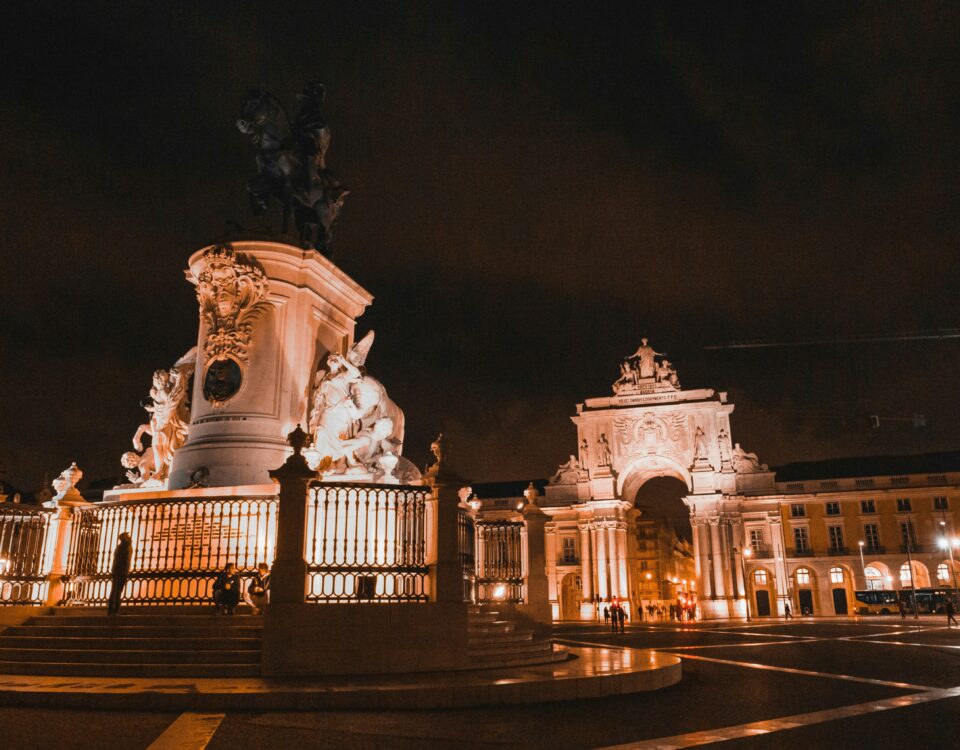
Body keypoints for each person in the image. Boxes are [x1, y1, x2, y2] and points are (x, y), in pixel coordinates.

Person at [107, 532, 132, 615]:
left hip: (115, 571)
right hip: (122, 571)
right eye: (127, 536)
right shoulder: (126, 547)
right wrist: (126, 571)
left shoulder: (119, 547)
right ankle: (116, 610)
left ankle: (110, 610)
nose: (129, 536)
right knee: (118, 591)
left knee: (114, 591)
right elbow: (126, 561)